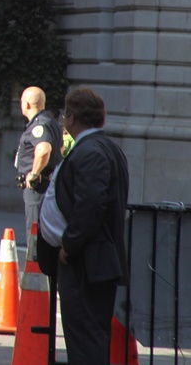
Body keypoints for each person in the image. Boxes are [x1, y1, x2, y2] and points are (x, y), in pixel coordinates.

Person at [46, 88, 129, 365]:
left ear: (70, 117)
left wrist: (69, 244)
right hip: (93, 260)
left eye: (64, 115)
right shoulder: (103, 148)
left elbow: (91, 206)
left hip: (87, 263)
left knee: (85, 340)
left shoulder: (91, 152)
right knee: (88, 338)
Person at [17, 85, 63, 232]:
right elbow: (60, 149)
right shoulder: (50, 122)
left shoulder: (39, 125)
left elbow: (44, 149)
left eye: (22, 101)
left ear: (28, 104)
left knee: (34, 233)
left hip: (37, 187)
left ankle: (34, 256)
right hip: (48, 184)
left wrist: (34, 174)